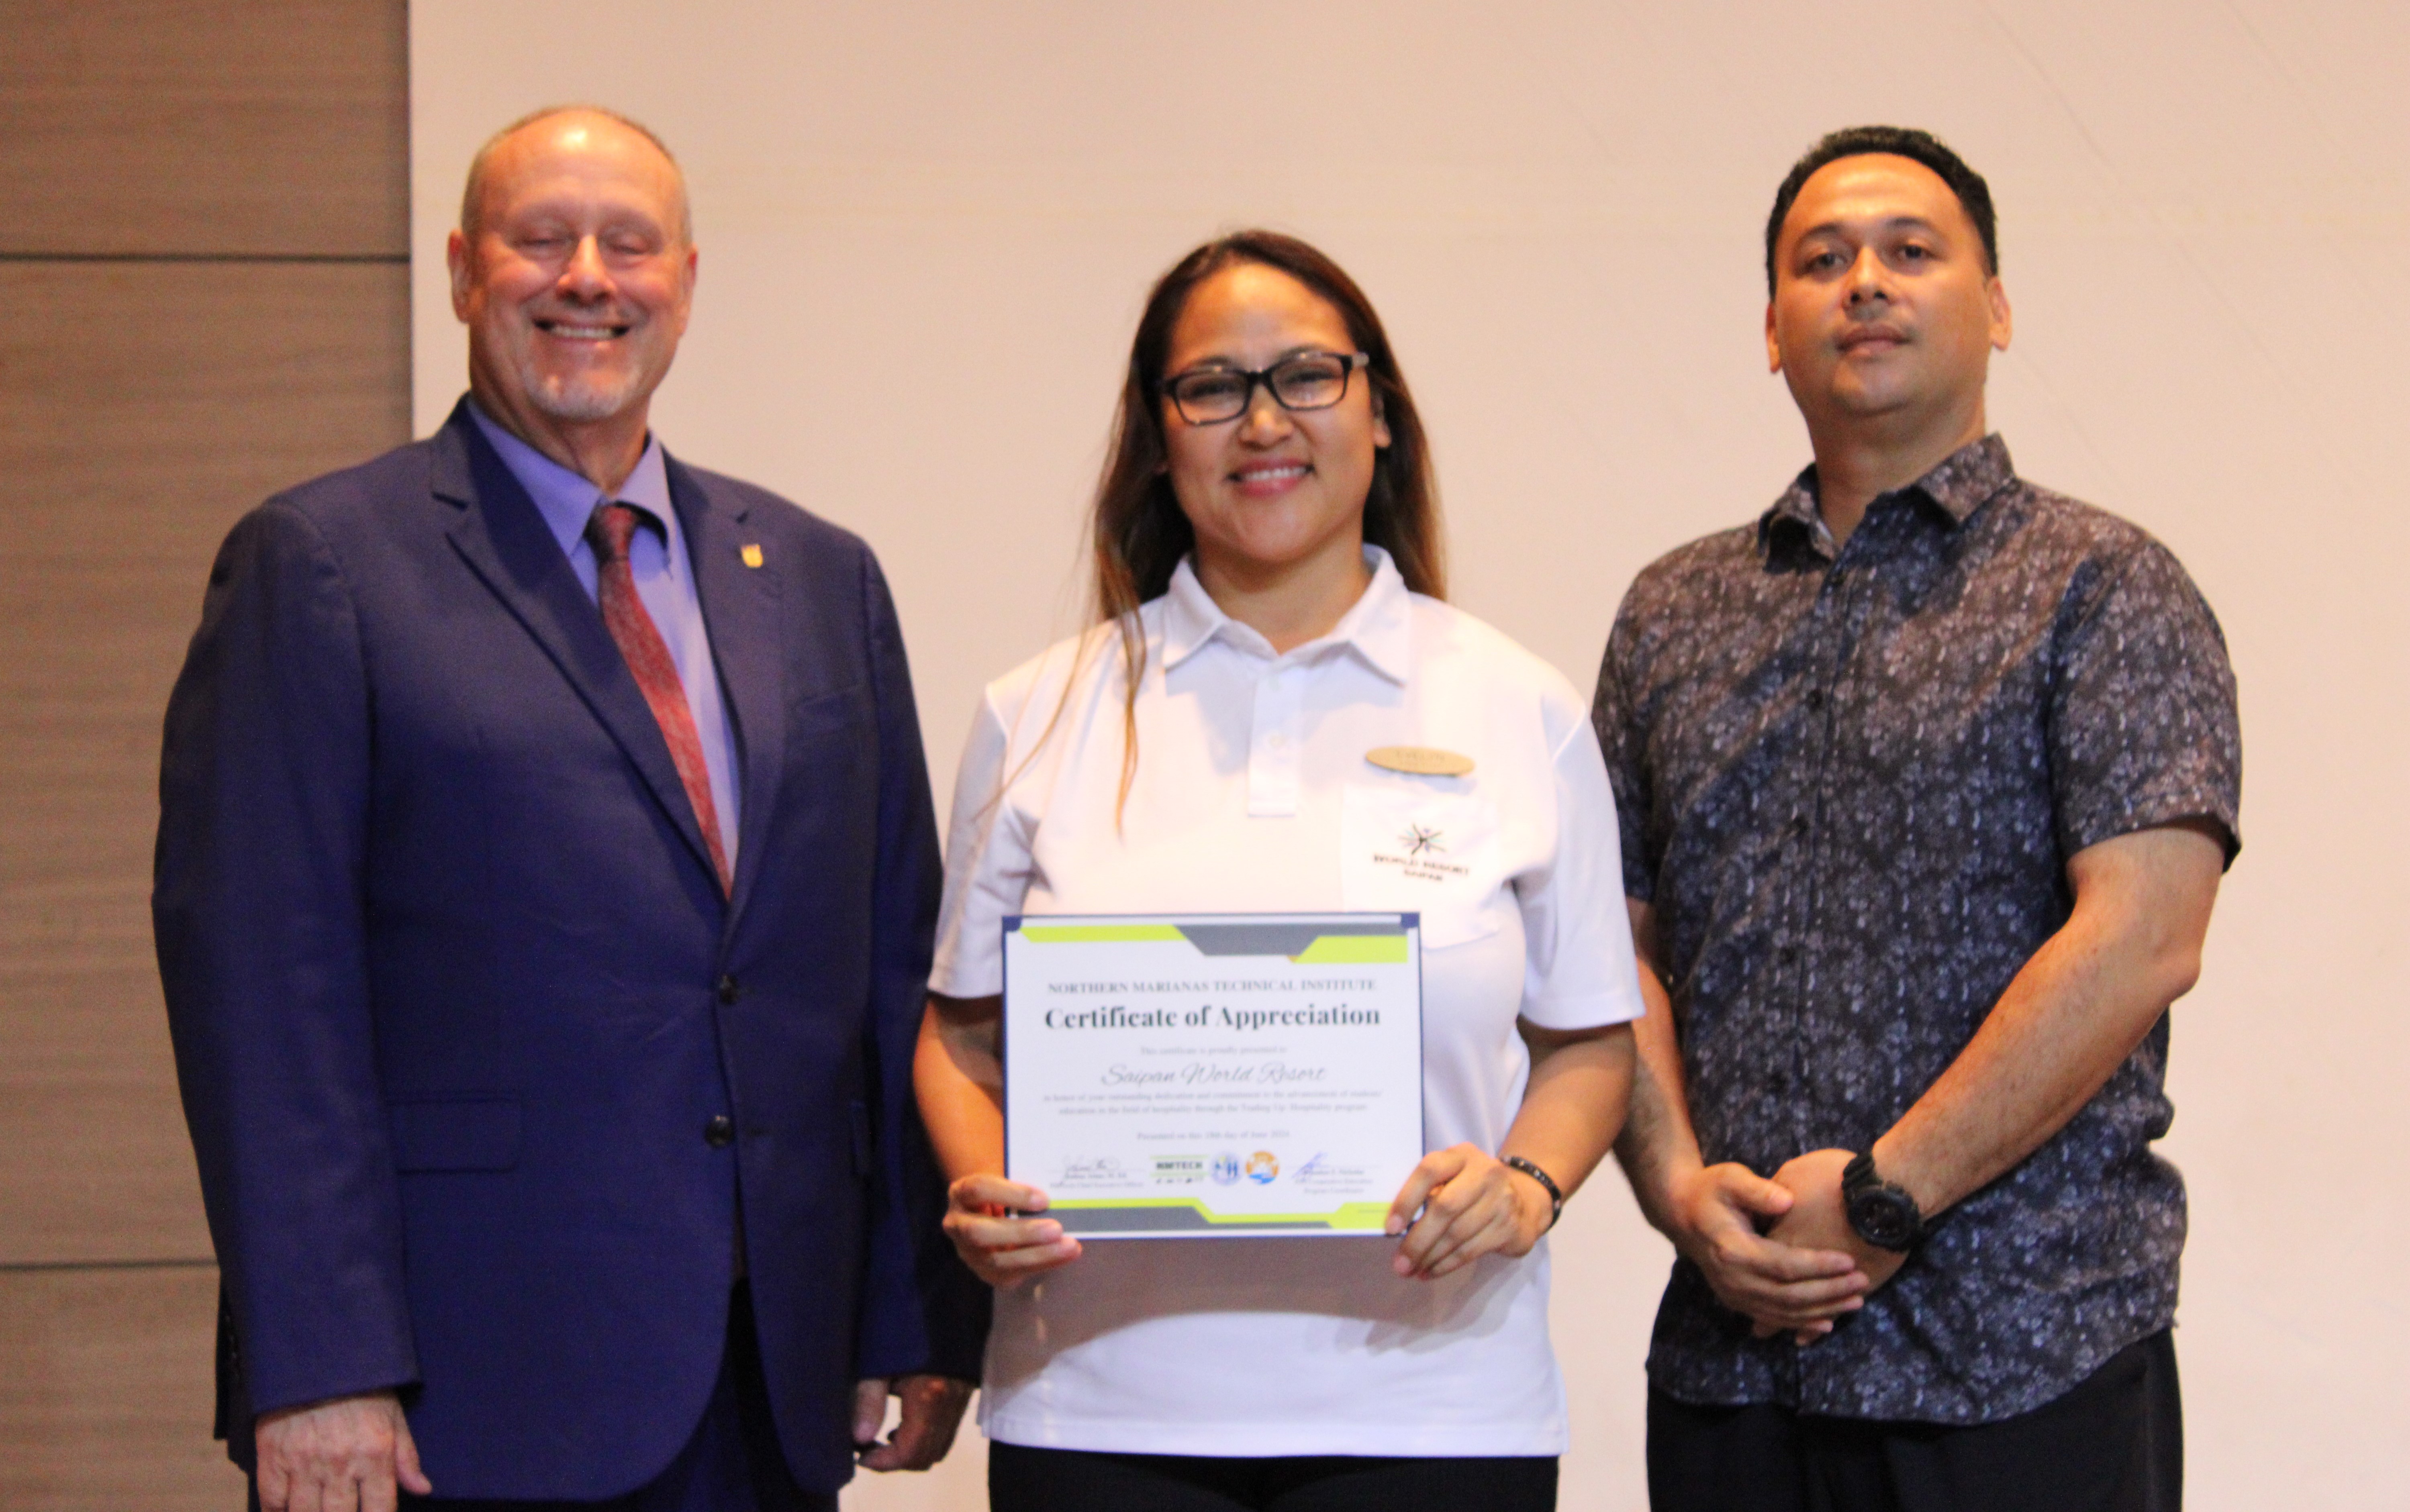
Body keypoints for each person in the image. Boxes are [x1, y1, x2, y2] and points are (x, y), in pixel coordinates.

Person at [153, 105, 984, 1512]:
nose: (588, 277)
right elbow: (262, 994)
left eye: (629, 244)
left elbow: (886, 968)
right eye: (542, 241)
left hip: (766, 1381)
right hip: (453, 1397)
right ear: (468, 272)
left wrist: (904, 1313)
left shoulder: (823, 579)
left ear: (687, 281)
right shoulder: (324, 565)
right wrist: (318, 1361)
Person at [911, 230, 1642, 1512]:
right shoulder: (1039, 712)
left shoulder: (1517, 706)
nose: (1264, 422)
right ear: (1159, 435)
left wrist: (1524, 1189)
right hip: (1100, 1407)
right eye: (1212, 387)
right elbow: (960, 1037)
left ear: (1381, 416)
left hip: (1438, 1413)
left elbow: (1590, 1043)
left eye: (1307, 375)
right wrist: (983, 1187)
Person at [1593, 125, 2242, 1512]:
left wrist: (1887, 1197)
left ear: (1996, 305)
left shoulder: (2105, 587)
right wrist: (1677, 1189)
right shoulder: (1671, 612)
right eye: (1821, 262)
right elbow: (1607, 942)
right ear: (1772, 329)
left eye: (1911, 251)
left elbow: (2144, 937)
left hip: (2025, 1349)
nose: (1865, 284)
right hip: (1734, 1361)